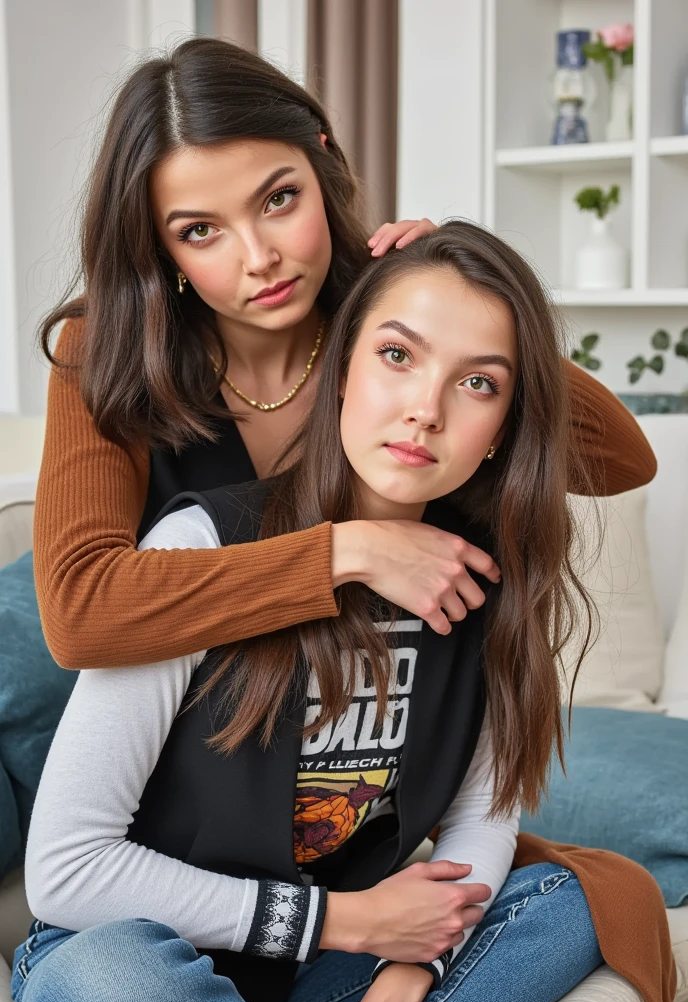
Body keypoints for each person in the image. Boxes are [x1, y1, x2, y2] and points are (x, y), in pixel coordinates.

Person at [16, 223, 609, 1002]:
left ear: (504, 426)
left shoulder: (490, 574)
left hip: (333, 969)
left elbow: (481, 813)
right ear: (338, 374)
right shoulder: (204, 545)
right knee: (109, 981)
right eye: (397, 356)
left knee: (567, 903)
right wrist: (349, 922)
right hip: (154, 951)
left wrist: (416, 969)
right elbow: (66, 869)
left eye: (478, 385)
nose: (424, 411)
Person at [33, 37, 656, 674]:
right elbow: (79, 615)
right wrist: (349, 552)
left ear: (321, 162)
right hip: (176, 733)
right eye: (200, 231)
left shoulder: (385, 316)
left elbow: (622, 464)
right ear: (162, 249)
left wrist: (471, 295)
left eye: (278, 199)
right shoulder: (108, 347)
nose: (258, 258)